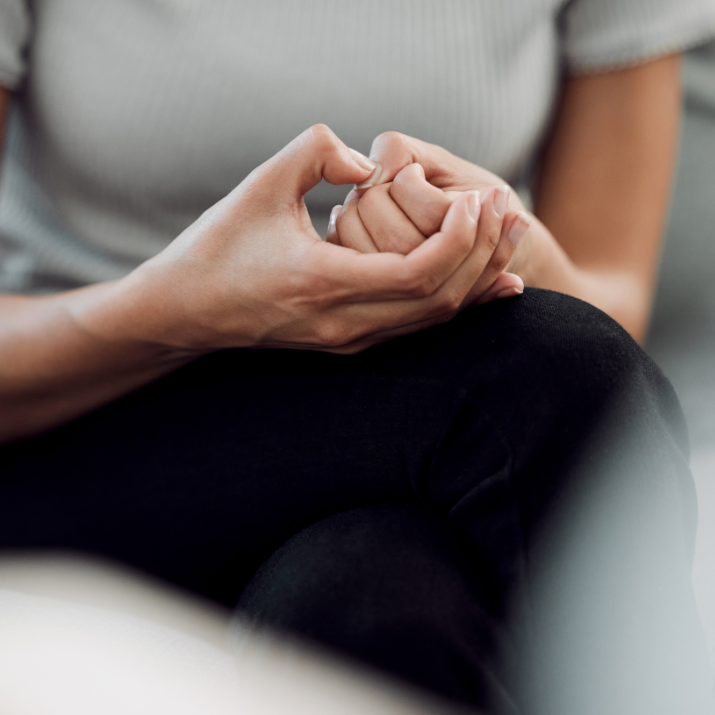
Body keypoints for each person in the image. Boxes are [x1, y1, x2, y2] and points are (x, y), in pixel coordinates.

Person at [1, 1, 715, 713]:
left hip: (400, 436)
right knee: (553, 371)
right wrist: (181, 308)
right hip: (76, 429)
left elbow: (611, 295)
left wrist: (506, 243)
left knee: (373, 604)